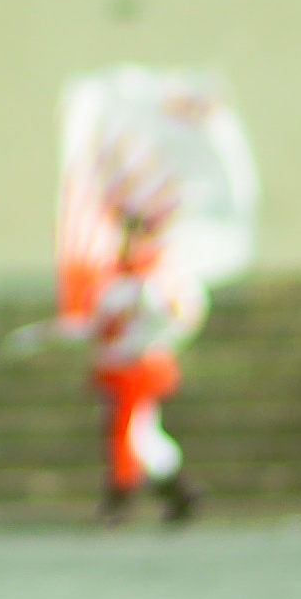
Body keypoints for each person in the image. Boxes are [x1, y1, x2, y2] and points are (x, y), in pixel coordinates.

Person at [84, 212, 203, 525]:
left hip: (141, 367)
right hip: (120, 367)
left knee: (132, 433)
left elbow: (180, 315)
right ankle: (178, 492)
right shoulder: (116, 280)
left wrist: (155, 315)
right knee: (142, 435)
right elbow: (102, 325)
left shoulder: (160, 276)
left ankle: (123, 495)